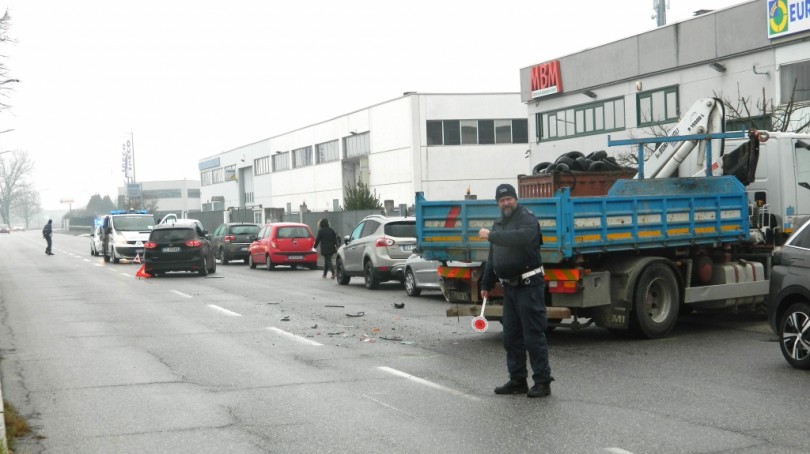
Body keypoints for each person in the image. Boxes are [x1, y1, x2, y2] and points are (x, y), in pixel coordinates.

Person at [479, 183, 553, 398]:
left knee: (533, 336)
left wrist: (491, 235)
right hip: (509, 289)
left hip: (529, 286)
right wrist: (486, 282)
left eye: (509, 198)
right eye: (502, 200)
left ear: (516, 199)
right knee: (510, 337)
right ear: (497, 204)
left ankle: (542, 381)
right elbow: (493, 256)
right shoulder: (499, 223)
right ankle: (517, 380)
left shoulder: (527, 218)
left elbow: (522, 238)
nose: (506, 203)